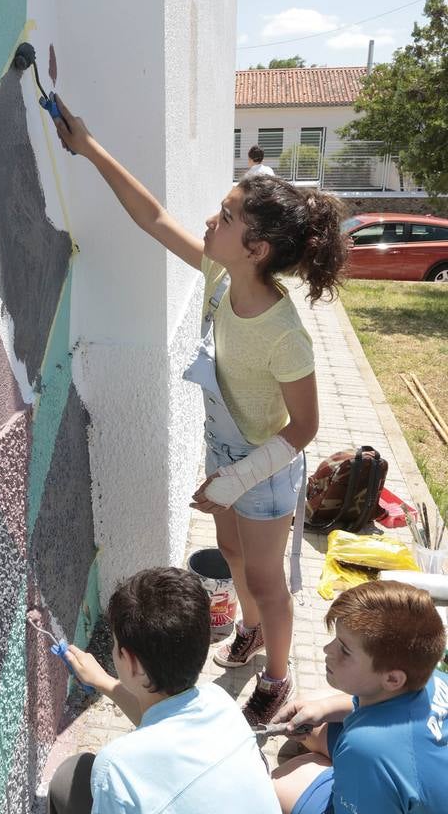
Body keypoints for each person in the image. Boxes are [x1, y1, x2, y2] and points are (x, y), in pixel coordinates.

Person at [52, 95, 347, 724]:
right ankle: (249, 628)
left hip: (266, 467)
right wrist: (90, 147)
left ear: (258, 248)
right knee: (233, 556)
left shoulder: (284, 333)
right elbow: (154, 218)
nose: (211, 221)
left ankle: (277, 676)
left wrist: (232, 479)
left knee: (268, 579)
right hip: (226, 451)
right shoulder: (220, 272)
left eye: (227, 215)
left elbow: (306, 428)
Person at [49, 567, 297, 814]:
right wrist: (104, 682)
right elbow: (163, 720)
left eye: (115, 647)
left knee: (70, 778)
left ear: (133, 662)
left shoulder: (118, 769)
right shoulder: (221, 705)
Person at [271, 581, 448, 814]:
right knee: (312, 721)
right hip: (415, 778)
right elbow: (378, 711)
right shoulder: (430, 673)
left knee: (281, 781)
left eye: (344, 649)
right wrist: (325, 708)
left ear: (393, 677)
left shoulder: (368, 749)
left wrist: (360, 779)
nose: (327, 651)